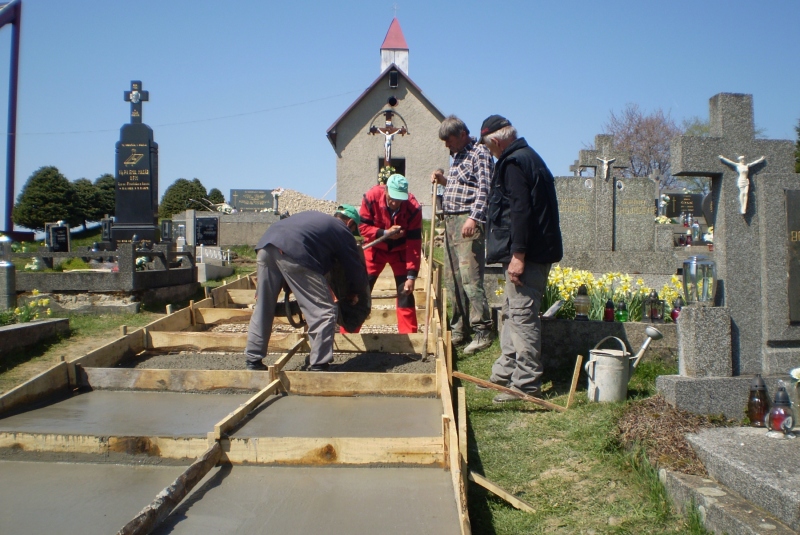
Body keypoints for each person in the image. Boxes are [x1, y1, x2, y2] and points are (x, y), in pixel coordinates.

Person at [479, 115, 563, 403]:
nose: (490, 152)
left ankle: (526, 384)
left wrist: (518, 255)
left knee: (522, 316)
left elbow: (521, 211)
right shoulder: (529, 157)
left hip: (528, 256)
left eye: (489, 147)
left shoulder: (514, 163)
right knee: (512, 313)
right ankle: (504, 375)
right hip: (531, 252)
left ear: (497, 141)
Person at [244, 206, 368, 371]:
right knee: (325, 311)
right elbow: (353, 267)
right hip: (294, 251)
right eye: (353, 231)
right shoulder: (342, 230)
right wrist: (356, 292)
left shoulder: (317, 220)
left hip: (266, 246)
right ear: (351, 223)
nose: (351, 234)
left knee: (264, 306)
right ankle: (319, 364)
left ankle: (253, 360)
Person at [430, 115, 494, 353]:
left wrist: (474, 218)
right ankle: (459, 329)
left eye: (449, 140)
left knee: (470, 278)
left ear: (462, 135)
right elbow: (462, 186)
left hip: (468, 220)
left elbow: (484, 189)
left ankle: (482, 331)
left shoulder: (480, 153)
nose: (446, 145)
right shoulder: (457, 156)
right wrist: (443, 180)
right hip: (451, 220)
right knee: (453, 278)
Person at [358, 173, 422, 333]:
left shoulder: (413, 208)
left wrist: (411, 276)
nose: (395, 202)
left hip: (400, 252)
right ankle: (349, 331)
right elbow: (363, 228)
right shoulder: (371, 198)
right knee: (360, 291)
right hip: (375, 250)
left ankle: (409, 337)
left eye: (400, 199)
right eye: (392, 197)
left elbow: (414, 243)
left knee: (406, 292)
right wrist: (384, 233)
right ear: (385, 190)